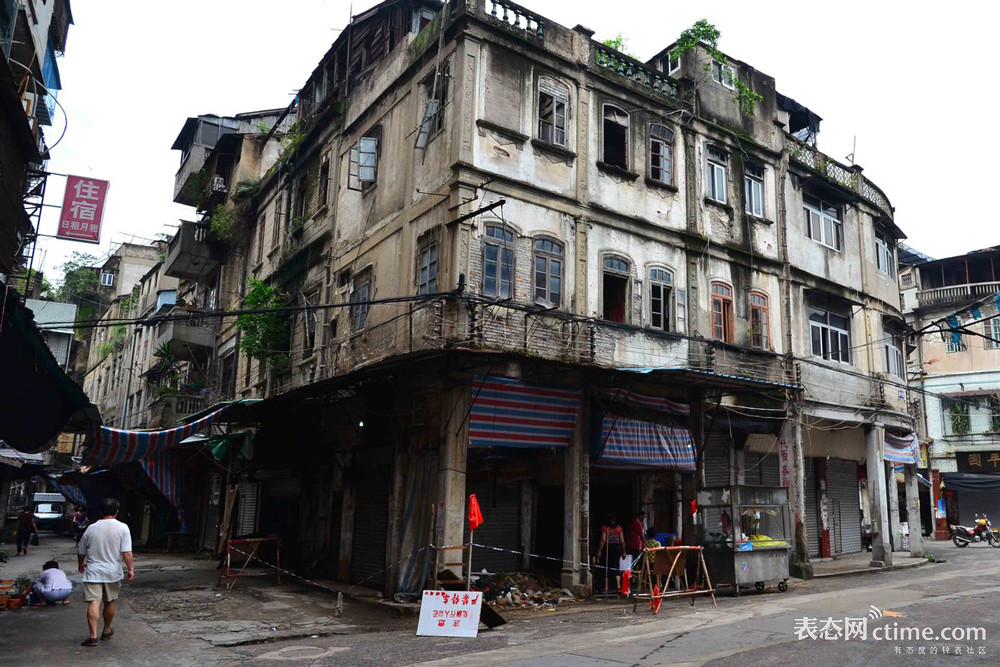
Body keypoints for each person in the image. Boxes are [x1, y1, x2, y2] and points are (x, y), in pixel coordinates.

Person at [77, 498, 134, 647]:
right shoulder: (123, 528)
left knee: (94, 602)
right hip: (112, 572)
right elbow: (126, 552)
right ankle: (107, 629)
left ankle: (93, 636)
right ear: (116, 511)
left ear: (101, 512)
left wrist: (81, 564)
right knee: (110, 601)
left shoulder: (91, 528)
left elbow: (81, 550)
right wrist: (131, 569)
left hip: (93, 571)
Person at [594, 513, 625, 593]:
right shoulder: (619, 528)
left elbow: (603, 540)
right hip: (617, 548)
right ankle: (618, 586)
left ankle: (606, 587)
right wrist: (623, 551)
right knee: (616, 566)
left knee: (606, 567)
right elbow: (622, 541)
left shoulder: (605, 528)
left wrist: (599, 551)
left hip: (608, 548)